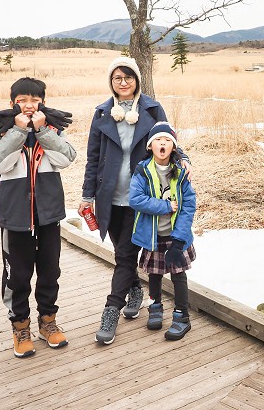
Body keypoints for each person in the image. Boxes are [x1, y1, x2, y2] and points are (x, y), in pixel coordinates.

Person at [79, 57, 190, 345]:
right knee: (122, 254)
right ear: (111, 82)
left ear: (137, 80)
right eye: (117, 78)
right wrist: (87, 195)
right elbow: (93, 158)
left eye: (129, 77)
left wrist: (184, 158)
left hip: (141, 197)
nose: (124, 82)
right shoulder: (102, 113)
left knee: (126, 255)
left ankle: (111, 311)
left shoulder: (152, 108)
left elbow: (168, 139)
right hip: (109, 197)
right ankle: (136, 291)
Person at [0, 77, 77, 358]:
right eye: (23, 99)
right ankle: (20, 325)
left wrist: (42, 132)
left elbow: (67, 158)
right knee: (18, 275)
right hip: (15, 214)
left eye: (34, 100)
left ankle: (47, 322)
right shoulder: (2, 130)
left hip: (48, 214)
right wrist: (18, 131)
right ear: (13, 101)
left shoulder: (52, 128)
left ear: (42, 102)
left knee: (50, 271)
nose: (29, 105)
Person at [130, 121, 196, 340]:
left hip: (175, 236)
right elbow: (135, 199)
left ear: (173, 147)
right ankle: (155, 307)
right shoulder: (142, 171)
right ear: (150, 146)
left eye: (167, 140)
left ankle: (182, 316)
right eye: (158, 139)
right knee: (155, 274)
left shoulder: (181, 172)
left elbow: (188, 206)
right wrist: (166, 206)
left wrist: (179, 241)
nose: (163, 143)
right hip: (154, 235)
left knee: (179, 275)